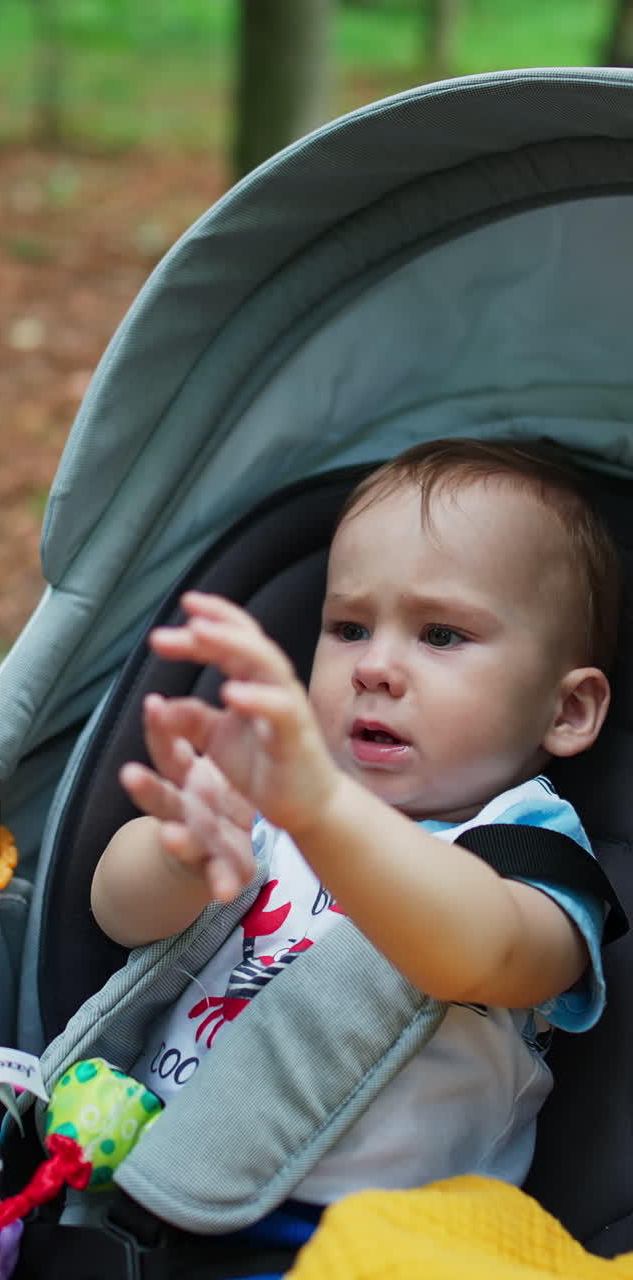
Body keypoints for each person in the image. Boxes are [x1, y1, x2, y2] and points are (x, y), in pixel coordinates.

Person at [89, 438, 620, 1238]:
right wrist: (178, 855)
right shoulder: (274, 798)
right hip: (136, 1180)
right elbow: (119, 918)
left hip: (377, 1242)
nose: (375, 666)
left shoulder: (533, 855)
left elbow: (476, 952)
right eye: (348, 627)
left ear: (566, 711)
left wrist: (322, 811)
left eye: (441, 635)